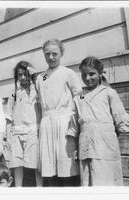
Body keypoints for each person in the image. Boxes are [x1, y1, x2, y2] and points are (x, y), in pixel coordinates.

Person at [70, 56, 129, 186]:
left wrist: (107, 133)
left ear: (100, 73)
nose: (88, 78)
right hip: (86, 146)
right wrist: (76, 146)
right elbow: (75, 124)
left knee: (106, 179)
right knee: (89, 182)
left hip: (105, 145)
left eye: (92, 74)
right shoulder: (79, 97)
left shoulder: (109, 93)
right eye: (84, 75)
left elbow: (120, 119)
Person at [35, 39, 82, 186]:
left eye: (54, 53)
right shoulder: (40, 77)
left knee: (66, 164)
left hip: (64, 122)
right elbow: (39, 101)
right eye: (47, 54)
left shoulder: (68, 73)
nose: (51, 57)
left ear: (61, 54)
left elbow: (79, 98)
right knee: (50, 167)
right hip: (46, 123)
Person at [5, 61, 43, 187]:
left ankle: (40, 189)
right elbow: (9, 115)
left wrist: (34, 75)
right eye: (19, 75)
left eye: (25, 74)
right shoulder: (14, 92)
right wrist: (8, 137)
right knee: (17, 164)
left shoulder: (37, 89)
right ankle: (18, 189)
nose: (22, 77)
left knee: (35, 163)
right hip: (17, 132)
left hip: (33, 131)